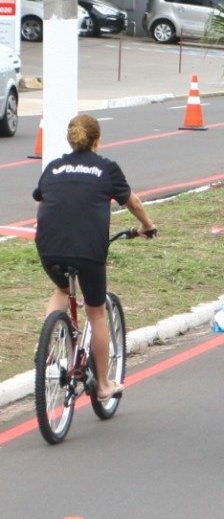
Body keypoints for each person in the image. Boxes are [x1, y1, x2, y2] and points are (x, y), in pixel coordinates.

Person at [33, 114, 156, 402]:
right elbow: (133, 203)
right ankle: (102, 385)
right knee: (96, 312)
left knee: (63, 289)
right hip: (87, 250)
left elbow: (42, 201)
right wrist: (147, 227)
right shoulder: (106, 169)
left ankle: (46, 348)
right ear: (98, 140)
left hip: (48, 247)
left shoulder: (54, 167)